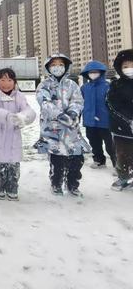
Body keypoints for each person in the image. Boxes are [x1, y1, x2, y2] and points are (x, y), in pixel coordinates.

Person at [35, 54, 89, 196]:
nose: (57, 67)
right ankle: (56, 183)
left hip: (71, 129)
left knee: (76, 159)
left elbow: (78, 101)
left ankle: (72, 184)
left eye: (60, 64)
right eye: (53, 64)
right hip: (52, 130)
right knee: (57, 161)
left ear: (66, 67)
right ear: (48, 67)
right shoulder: (44, 85)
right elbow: (44, 102)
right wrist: (59, 115)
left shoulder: (72, 85)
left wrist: (72, 113)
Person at [0, 69, 35, 200]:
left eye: (10, 80)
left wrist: (23, 117)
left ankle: (12, 187)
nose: (6, 83)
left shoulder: (19, 96)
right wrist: (7, 116)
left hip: (13, 137)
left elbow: (29, 111)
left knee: (13, 165)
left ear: (14, 82)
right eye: (3, 80)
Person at [80, 61, 116, 169]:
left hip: (105, 121)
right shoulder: (84, 88)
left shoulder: (108, 86)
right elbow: (79, 103)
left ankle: (117, 163)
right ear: (87, 74)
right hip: (90, 121)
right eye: (90, 72)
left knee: (110, 145)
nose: (93, 74)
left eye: (95, 72)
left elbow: (113, 104)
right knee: (94, 142)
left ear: (101, 73)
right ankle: (99, 160)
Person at [106, 49, 133, 191]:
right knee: (123, 155)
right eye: (126, 66)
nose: (130, 69)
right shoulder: (116, 85)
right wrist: (128, 120)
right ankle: (123, 178)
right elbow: (112, 105)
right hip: (121, 129)